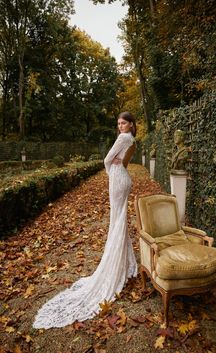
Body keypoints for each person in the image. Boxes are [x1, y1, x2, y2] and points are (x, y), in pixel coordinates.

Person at [33, 112, 138, 329]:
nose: (120, 126)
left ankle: (117, 265)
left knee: (116, 222)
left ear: (131, 124)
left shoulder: (123, 138)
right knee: (119, 221)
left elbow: (107, 159)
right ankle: (124, 262)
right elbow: (124, 160)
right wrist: (117, 168)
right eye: (118, 123)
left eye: (123, 123)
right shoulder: (132, 139)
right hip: (124, 179)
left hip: (118, 178)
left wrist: (111, 170)